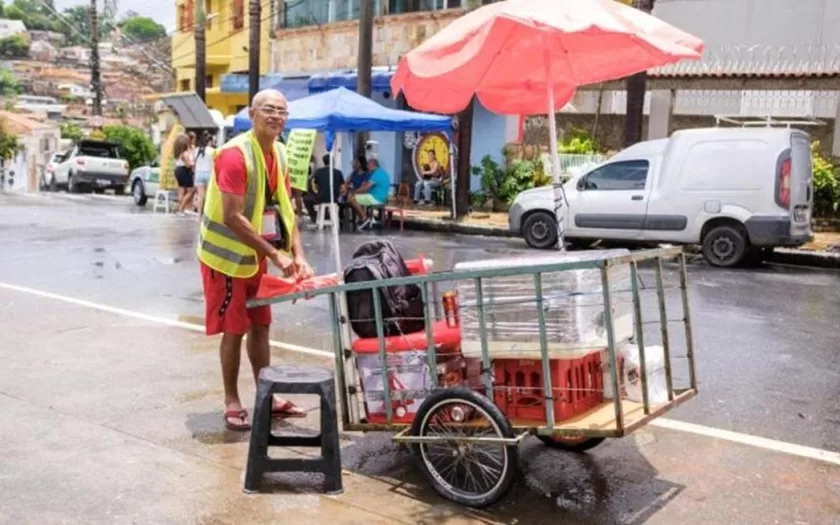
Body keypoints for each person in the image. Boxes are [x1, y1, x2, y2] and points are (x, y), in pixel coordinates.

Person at [197, 88, 314, 432]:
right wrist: (275, 253)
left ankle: (269, 395)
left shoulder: (279, 152)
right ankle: (232, 400)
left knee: (261, 324)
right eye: (269, 110)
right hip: (226, 258)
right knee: (234, 329)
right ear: (252, 114)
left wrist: (299, 255)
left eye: (282, 111)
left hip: (255, 256)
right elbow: (232, 216)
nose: (276, 116)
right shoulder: (234, 155)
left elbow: (286, 210)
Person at [348, 157, 390, 230]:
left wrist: (353, 192)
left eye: (368, 164)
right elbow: (366, 185)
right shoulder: (382, 173)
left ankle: (364, 218)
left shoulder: (377, 174)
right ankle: (364, 219)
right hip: (381, 198)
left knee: (351, 198)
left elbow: (366, 188)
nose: (366, 166)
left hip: (375, 198)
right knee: (358, 197)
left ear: (372, 165)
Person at [303, 153, 344, 223]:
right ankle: (326, 216)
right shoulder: (338, 172)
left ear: (323, 162)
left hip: (321, 198)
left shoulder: (318, 172)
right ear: (333, 162)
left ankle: (315, 218)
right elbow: (342, 187)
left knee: (306, 198)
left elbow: (315, 187)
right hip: (334, 198)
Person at [193, 132, 216, 217]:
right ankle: (207, 213)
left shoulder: (196, 150)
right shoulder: (212, 150)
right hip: (209, 173)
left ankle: (199, 214)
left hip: (199, 173)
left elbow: (194, 164)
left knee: (200, 195)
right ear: (209, 141)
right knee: (208, 195)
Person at [173, 133, 196, 215]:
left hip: (178, 170)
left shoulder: (178, 152)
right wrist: (193, 164)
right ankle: (181, 209)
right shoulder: (185, 153)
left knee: (181, 190)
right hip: (184, 170)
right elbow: (188, 165)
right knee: (191, 191)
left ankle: (179, 208)